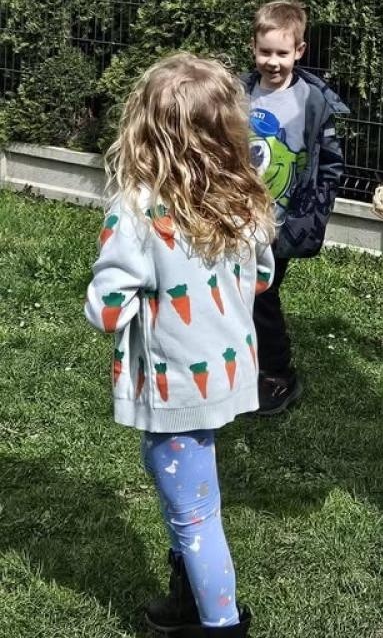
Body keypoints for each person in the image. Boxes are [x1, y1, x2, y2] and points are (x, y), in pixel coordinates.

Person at [85, 54, 275, 637]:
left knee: (196, 516)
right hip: (224, 370)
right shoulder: (245, 196)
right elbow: (263, 276)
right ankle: (186, 600)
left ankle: (220, 624)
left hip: (174, 382)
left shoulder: (139, 209)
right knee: (181, 486)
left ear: (145, 129)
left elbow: (107, 309)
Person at [242, 0, 348, 416]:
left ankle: (278, 374)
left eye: (282, 53)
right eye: (265, 51)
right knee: (234, 292)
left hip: (281, 223)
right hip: (236, 218)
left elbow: (331, 163)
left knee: (261, 294)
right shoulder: (239, 93)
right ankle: (238, 363)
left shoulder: (313, 102)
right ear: (253, 47)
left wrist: (315, 210)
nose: (272, 61)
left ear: (299, 52)